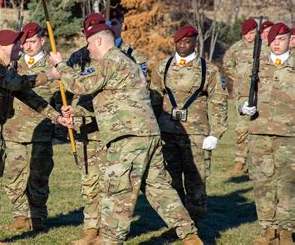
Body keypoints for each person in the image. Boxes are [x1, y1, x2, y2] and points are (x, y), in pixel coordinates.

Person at [48, 15, 202, 245]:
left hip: (128, 137)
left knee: (117, 189)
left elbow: (82, 85)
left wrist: (60, 66)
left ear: (99, 42)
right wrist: (77, 113)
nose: (87, 49)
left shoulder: (111, 61)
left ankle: (110, 240)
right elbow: (112, 101)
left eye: (89, 43)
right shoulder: (125, 63)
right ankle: (189, 235)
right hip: (146, 133)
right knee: (157, 186)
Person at [0, 29, 68, 244]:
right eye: (17, 44)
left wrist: (57, 118)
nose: (21, 47)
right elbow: (17, 84)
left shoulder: (7, 69)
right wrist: (49, 75)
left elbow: (28, 96)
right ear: (2, 47)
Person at [65, 14, 148, 243]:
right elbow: (73, 89)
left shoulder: (128, 55)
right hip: (88, 128)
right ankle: (90, 230)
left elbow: (141, 89)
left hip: (115, 129)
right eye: (87, 32)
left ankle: (107, 232)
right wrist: (73, 112)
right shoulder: (79, 56)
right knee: (90, 182)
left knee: (113, 183)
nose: (89, 36)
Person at [150, 25, 228, 222]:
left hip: (196, 134)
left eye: (187, 42)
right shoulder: (162, 67)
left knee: (195, 180)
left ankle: (195, 223)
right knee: (170, 178)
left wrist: (216, 133)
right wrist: (152, 129)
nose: (182, 46)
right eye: (179, 42)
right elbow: (154, 101)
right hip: (166, 131)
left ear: (195, 43)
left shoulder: (208, 70)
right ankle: (177, 223)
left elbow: (218, 102)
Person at [240, 23, 294, 245]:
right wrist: (244, 107)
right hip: (259, 132)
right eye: (273, 40)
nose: (277, 43)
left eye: (281, 39)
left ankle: (286, 230)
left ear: (290, 40)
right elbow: (242, 94)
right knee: (263, 182)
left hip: (290, 135)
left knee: (288, 183)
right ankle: (268, 229)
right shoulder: (257, 67)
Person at [1, 22, 58, 232]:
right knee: (13, 174)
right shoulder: (13, 65)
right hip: (14, 129)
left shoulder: (53, 67)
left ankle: (37, 216)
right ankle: (20, 215)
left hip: (40, 130)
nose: (27, 46)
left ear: (42, 41)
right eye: (24, 42)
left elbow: (60, 98)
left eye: (32, 42)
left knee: (39, 175)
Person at [223, 18, 258, 176]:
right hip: (242, 94)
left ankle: (255, 163)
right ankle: (240, 161)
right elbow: (227, 64)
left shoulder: (262, 48)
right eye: (248, 33)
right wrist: (238, 78)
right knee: (242, 129)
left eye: (253, 32)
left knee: (258, 129)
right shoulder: (236, 48)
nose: (250, 36)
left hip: (260, 93)